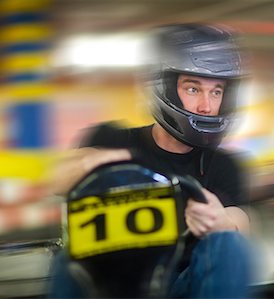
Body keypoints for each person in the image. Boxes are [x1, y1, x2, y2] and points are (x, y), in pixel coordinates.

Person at [49, 23, 254, 298]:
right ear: (165, 88)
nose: (206, 105)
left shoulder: (223, 164)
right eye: (193, 89)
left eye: (216, 92)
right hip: (108, 284)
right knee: (69, 250)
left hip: (181, 285)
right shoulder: (113, 140)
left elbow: (240, 220)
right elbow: (57, 180)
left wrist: (221, 221)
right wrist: (85, 165)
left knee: (229, 242)